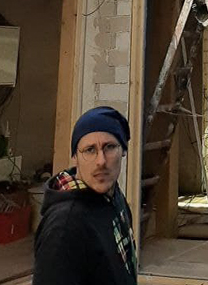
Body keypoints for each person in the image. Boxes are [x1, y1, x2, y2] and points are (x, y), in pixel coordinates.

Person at [33, 106, 137, 285]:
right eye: (90, 150)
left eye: (110, 147)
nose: (101, 161)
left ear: (124, 151)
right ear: (75, 157)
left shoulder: (114, 197)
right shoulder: (64, 227)